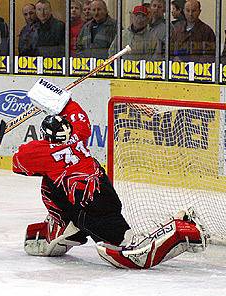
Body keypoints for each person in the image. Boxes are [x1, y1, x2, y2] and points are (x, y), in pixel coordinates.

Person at [12, 78, 208, 269]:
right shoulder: (79, 133)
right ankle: (68, 224)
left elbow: (17, 162)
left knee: (125, 242)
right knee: (53, 181)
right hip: (104, 191)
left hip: (87, 203)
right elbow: (75, 112)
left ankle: (180, 229)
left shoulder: (41, 151)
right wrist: (58, 99)